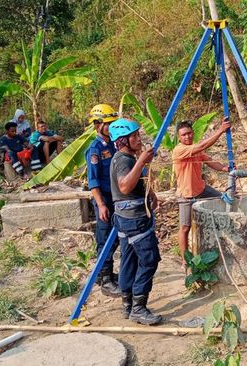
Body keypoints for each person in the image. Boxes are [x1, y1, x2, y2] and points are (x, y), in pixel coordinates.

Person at [109, 118, 162, 325]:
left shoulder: (122, 157)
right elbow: (124, 187)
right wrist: (141, 161)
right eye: (134, 136)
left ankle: (128, 304)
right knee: (149, 260)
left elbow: (136, 182)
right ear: (123, 141)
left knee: (128, 260)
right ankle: (139, 307)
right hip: (134, 220)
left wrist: (151, 194)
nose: (139, 139)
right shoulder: (125, 160)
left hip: (124, 219)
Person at [173, 117, 231, 266]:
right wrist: (220, 131)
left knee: (225, 199)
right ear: (179, 137)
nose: (187, 136)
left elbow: (210, 161)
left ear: (193, 133)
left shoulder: (196, 149)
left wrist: (225, 168)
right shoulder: (180, 150)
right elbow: (202, 146)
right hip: (186, 194)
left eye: (189, 133)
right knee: (185, 227)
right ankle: (185, 260)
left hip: (201, 189)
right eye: (184, 135)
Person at [85, 104, 121, 297]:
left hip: (117, 198)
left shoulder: (114, 144)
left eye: (113, 122)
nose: (111, 126)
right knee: (105, 238)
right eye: (108, 124)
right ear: (98, 125)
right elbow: (93, 181)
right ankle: (105, 280)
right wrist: (101, 205)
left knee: (116, 237)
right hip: (104, 200)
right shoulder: (95, 149)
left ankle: (102, 272)